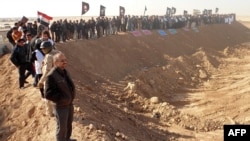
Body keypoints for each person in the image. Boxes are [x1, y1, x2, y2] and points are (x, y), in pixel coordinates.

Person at [44, 52, 76, 141]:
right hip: (61, 106)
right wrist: (61, 99)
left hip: (69, 104)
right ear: (55, 62)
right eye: (62, 61)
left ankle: (67, 138)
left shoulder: (65, 72)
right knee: (61, 127)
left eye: (65, 60)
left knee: (68, 125)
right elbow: (48, 93)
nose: (65, 62)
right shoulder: (51, 76)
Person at [38, 41, 59, 116]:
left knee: (47, 96)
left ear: (48, 48)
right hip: (58, 77)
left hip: (50, 79)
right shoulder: (57, 52)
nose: (43, 50)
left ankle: (50, 113)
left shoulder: (49, 56)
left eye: (44, 48)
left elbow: (47, 70)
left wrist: (41, 81)